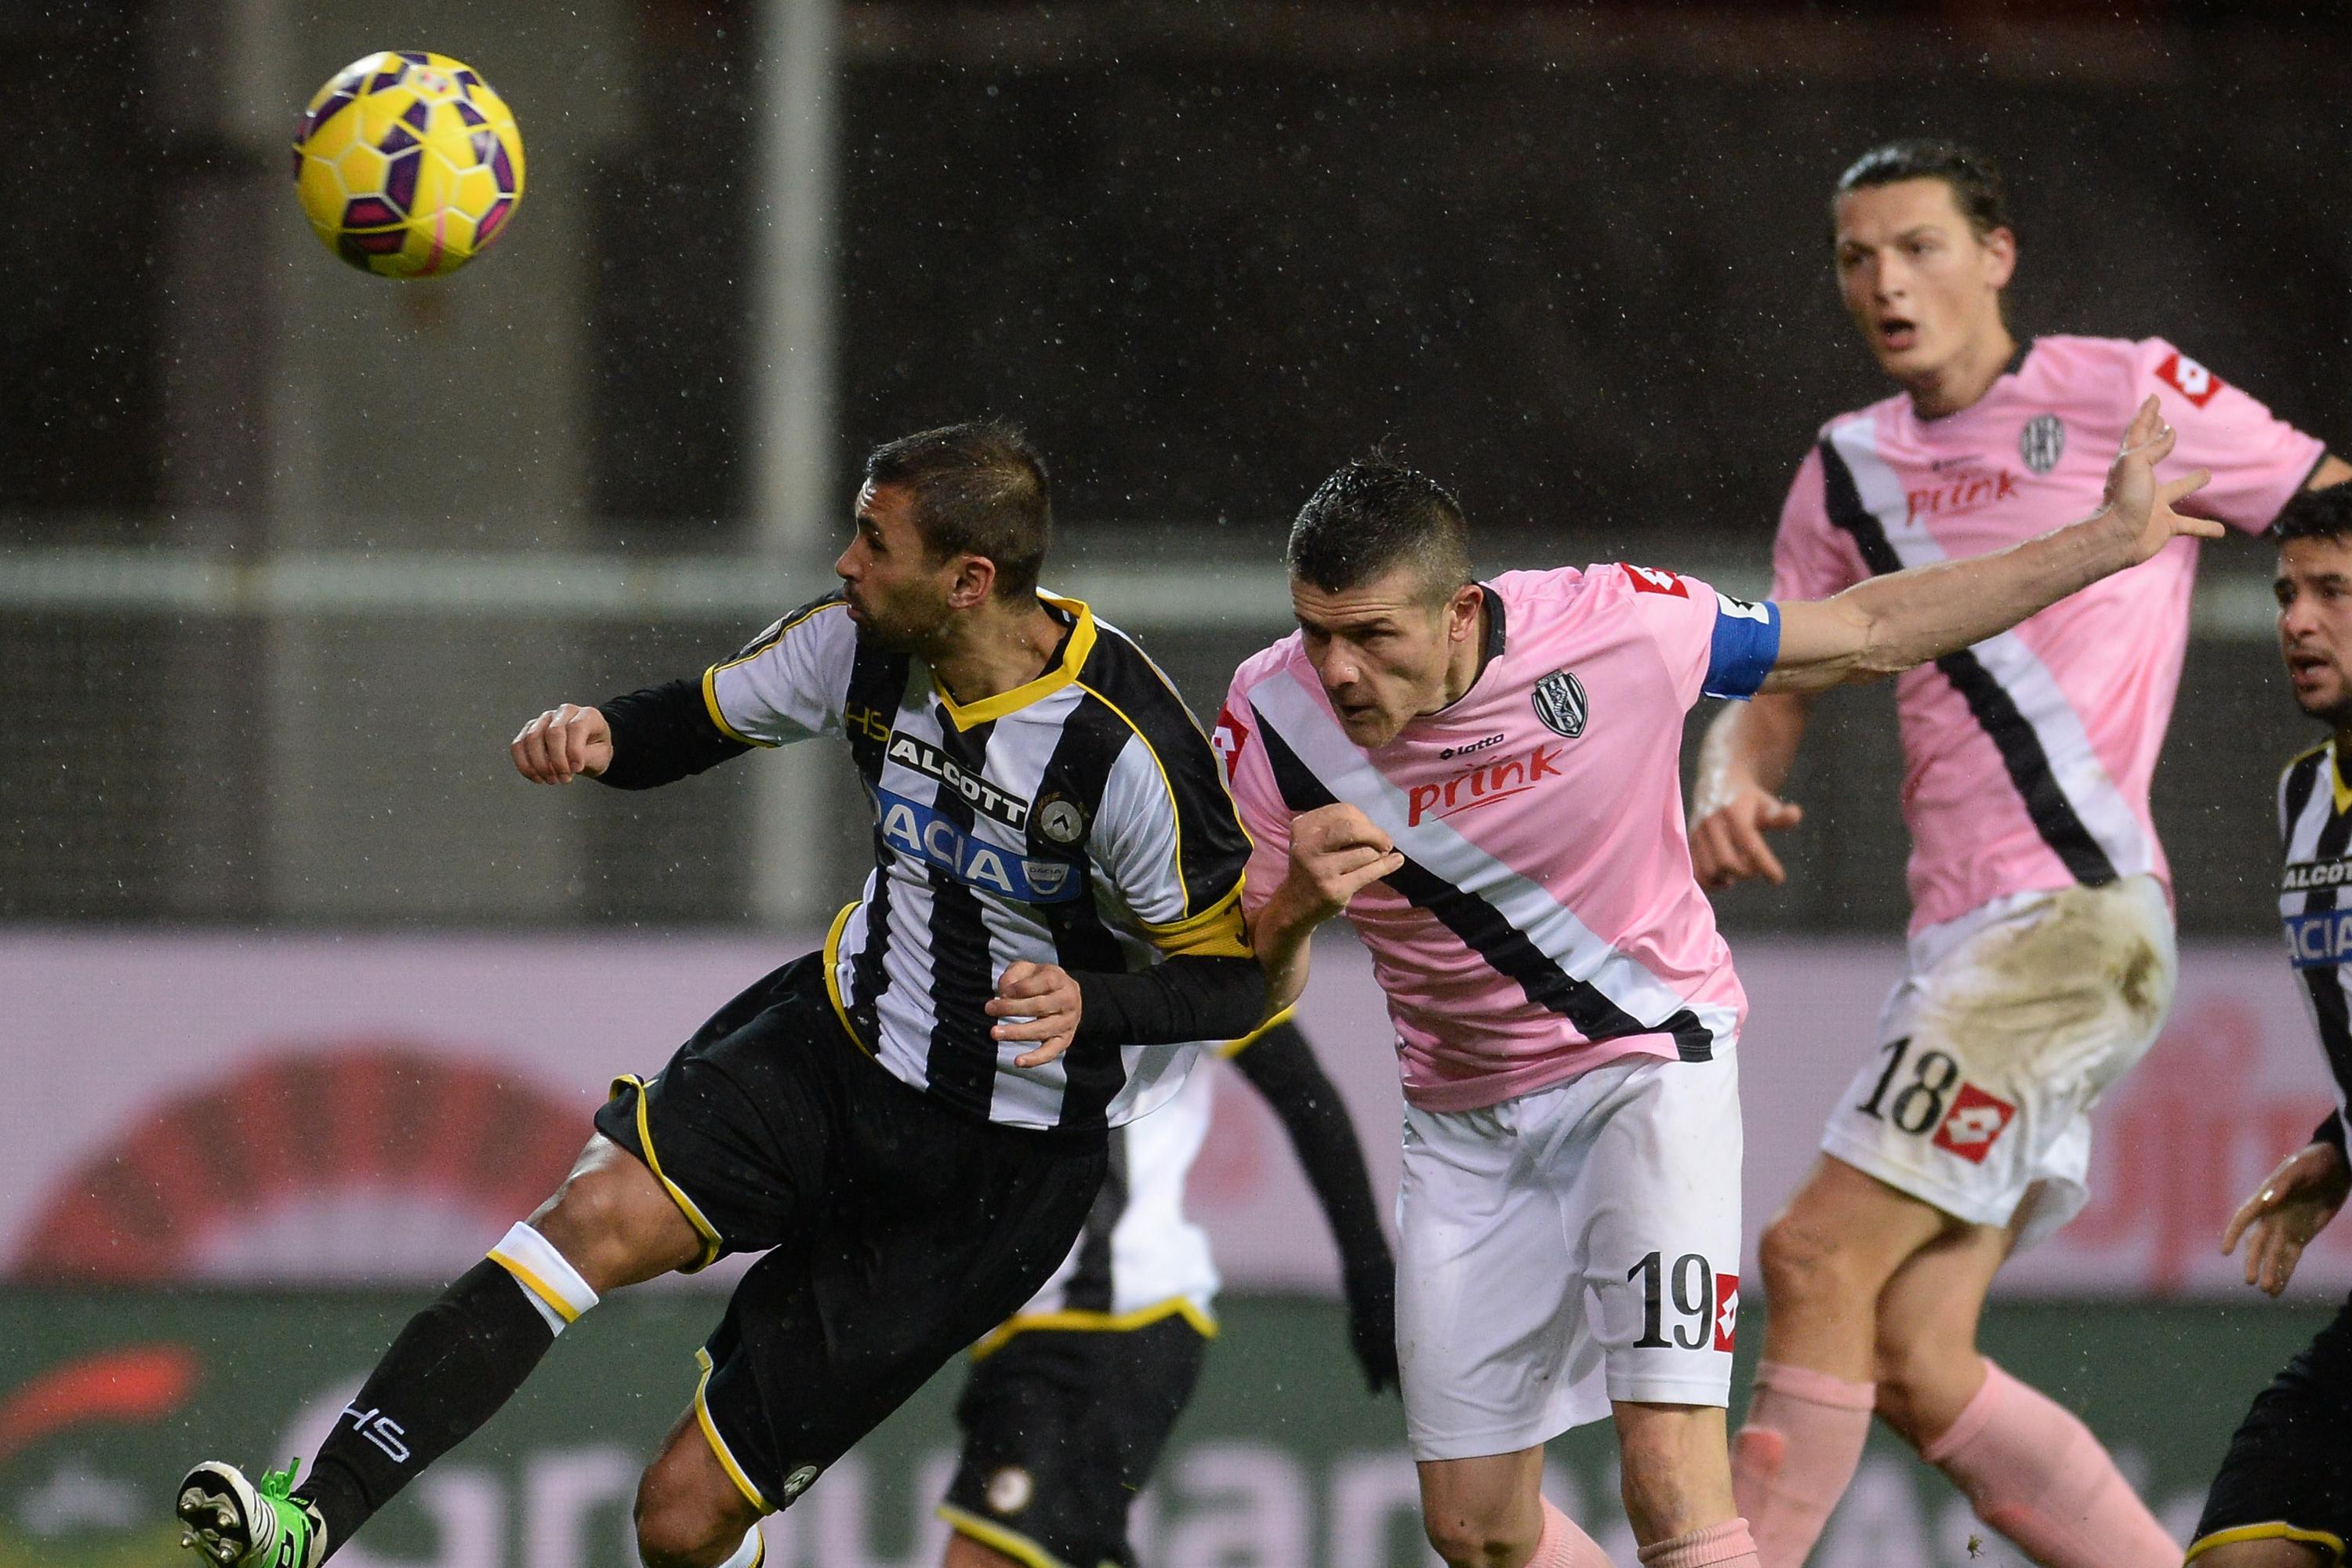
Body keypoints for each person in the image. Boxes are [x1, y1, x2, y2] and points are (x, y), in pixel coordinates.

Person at [173, 421, 1266, 1568]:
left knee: (681, 1520)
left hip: (1000, 1171)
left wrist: (1098, 1006)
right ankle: (313, 1519)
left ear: (969, 580)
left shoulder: (1123, 749)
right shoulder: (858, 644)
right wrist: (602, 734)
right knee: (591, 1215)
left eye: (874, 541)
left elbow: (1236, 981)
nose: (846, 562)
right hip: (835, 1048)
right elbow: (699, 717)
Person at [1214, 405, 2212, 1568]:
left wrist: (2104, 540)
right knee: (1476, 1528)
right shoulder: (1269, 719)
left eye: (1369, 635)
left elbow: (1867, 629)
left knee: (1669, 1482)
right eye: (1315, 632)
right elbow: (1257, 992)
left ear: (1460, 613)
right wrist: (1295, 909)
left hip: (1645, 1072)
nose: (1337, 669)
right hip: (1462, 1127)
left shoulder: (1618, 626)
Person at [1687, 139, 2350, 1568]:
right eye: (1857, 257)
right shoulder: (1847, 467)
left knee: (1811, 1254)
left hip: (2068, 920)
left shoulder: (2129, 394)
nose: (1886, 281)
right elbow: (1781, 678)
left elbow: (2332, 500)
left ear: (1997, 255)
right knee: (1915, 1358)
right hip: (1972, 939)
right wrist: (1726, 775)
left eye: (1918, 245)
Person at [935, 1015, 1397, 1568]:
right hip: (1031, 1329)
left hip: (1108, 1317)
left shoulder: (1177, 959)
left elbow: (1300, 1088)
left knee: (986, 1557)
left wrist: (1370, 1273)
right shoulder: (949, 968)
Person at [2185, 483, 2352, 1568]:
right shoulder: (2303, 800)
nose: (2298, 619)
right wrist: (2340, 1146)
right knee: (2243, 1550)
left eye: (2333, 591)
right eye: (2288, 593)